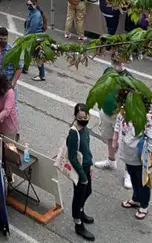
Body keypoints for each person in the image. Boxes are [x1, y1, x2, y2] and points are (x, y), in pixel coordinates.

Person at [94, 52, 133, 189]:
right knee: (109, 138)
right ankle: (111, 161)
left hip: (119, 117)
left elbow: (131, 100)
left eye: (121, 63)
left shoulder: (128, 77)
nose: (118, 65)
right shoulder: (107, 71)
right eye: (116, 62)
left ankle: (129, 173)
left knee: (125, 144)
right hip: (106, 112)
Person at [115, 112, 152, 220]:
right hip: (128, 154)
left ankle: (144, 205)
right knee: (133, 177)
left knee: (143, 182)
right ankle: (136, 198)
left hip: (141, 156)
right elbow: (118, 125)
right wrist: (115, 139)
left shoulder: (148, 119)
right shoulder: (123, 112)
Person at [67, 103, 94, 241]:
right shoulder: (73, 133)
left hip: (87, 167)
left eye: (86, 117)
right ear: (75, 117)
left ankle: (81, 211)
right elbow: (72, 157)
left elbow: (86, 149)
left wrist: (91, 165)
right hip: (79, 170)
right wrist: (83, 176)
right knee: (78, 196)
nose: (84, 120)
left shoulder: (85, 129)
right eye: (80, 117)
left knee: (88, 191)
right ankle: (78, 223)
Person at [22, 0, 47, 81]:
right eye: (27, 4)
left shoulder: (36, 15)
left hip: (36, 39)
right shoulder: (32, 12)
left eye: (30, 5)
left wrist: (24, 37)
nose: (28, 6)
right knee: (28, 53)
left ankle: (42, 75)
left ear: (35, 5)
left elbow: (32, 29)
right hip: (33, 37)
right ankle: (25, 68)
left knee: (38, 56)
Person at [0, 27, 23, 92]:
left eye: (4, 39)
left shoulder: (13, 51)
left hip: (9, 84)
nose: (3, 41)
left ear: (7, 38)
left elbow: (19, 68)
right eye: (1, 39)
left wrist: (12, 83)